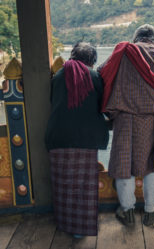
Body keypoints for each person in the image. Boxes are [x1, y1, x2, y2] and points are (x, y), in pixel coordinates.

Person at [98, 24, 154, 226]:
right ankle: (150, 211)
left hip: (124, 117)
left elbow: (101, 73)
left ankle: (127, 211)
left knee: (124, 165)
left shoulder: (123, 52)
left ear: (136, 39)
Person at [45, 42, 109, 237]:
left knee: (63, 185)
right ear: (91, 61)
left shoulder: (57, 76)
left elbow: (53, 101)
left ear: (72, 57)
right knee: (84, 186)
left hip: (58, 137)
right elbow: (101, 104)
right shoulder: (95, 77)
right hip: (86, 139)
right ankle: (82, 229)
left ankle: (66, 224)